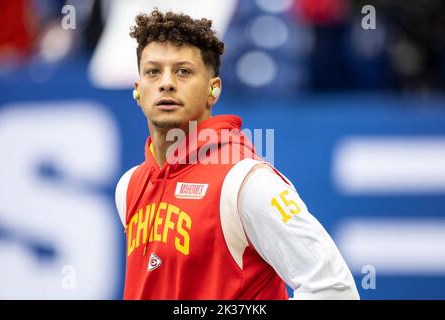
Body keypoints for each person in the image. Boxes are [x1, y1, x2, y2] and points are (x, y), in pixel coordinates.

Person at [115, 9, 360, 300]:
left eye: (183, 71)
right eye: (153, 71)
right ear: (138, 90)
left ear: (213, 90)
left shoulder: (246, 182)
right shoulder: (129, 186)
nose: (166, 83)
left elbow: (333, 288)